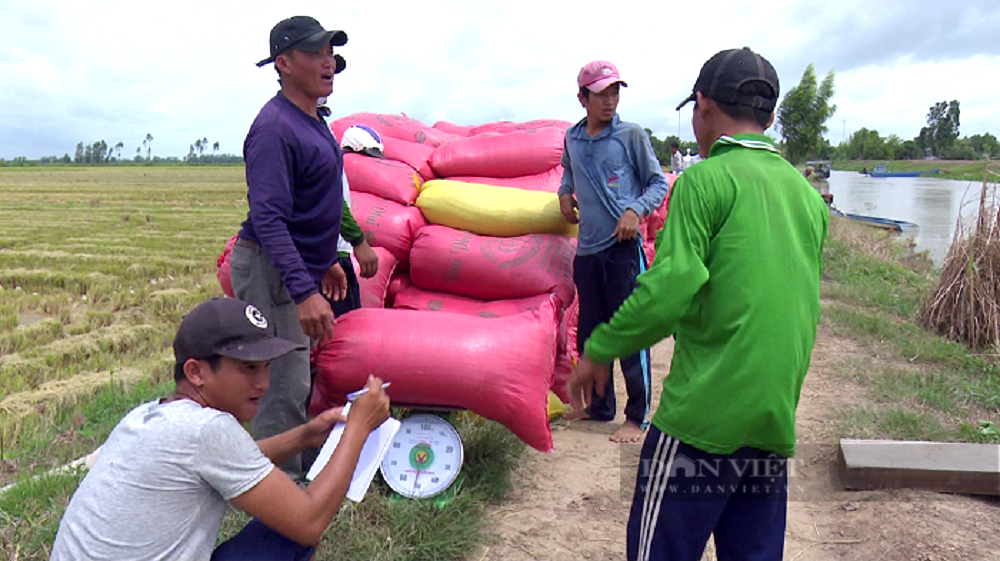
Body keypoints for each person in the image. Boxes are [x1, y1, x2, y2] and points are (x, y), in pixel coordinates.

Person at [569, 47, 828, 560]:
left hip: (703, 421)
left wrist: (600, 349)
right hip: (773, 422)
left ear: (703, 107)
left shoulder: (703, 181)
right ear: (771, 117)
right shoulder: (806, 196)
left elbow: (670, 287)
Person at [50, 297, 391, 561]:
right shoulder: (207, 429)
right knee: (288, 535)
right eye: (248, 368)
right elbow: (309, 521)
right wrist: (358, 428)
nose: (263, 382)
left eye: (266, 367)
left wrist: (305, 435)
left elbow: (234, 463)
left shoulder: (149, 416)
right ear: (196, 372)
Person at [230, 15, 375, 480]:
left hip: (296, 268)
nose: (328, 63)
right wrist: (303, 291)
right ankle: (279, 493)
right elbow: (270, 219)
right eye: (316, 54)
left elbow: (322, 199)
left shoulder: (313, 120)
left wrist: (327, 263)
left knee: (295, 378)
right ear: (284, 63)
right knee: (279, 383)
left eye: (330, 54)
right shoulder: (275, 128)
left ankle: (287, 474)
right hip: (270, 270)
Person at [558, 60, 670, 443]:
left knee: (629, 333)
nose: (610, 101)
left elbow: (658, 184)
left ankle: (636, 416)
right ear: (582, 98)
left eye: (615, 92)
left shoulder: (631, 136)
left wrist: (634, 210)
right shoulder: (573, 138)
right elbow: (568, 173)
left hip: (623, 251)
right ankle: (600, 407)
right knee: (591, 335)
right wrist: (563, 193)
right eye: (601, 94)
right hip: (587, 251)